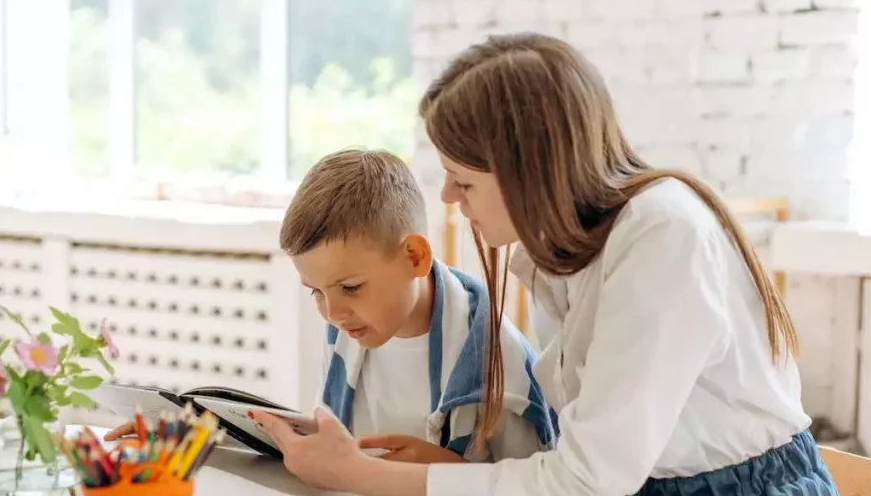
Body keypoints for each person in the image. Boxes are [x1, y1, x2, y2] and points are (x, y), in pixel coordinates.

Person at [252, 33, 855, 496]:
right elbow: (580, 466)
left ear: (529, 169)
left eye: (463, 180)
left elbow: (585, 484)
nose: (448, 199)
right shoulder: (556, 257)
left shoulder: (662, 237)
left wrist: (361, 475)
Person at [107, 148, 558, 466]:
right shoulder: (350, 330)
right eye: (315, 292)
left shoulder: (499, 360)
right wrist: (193, 434)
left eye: (351, 287)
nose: (332, 313)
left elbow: (538, 490)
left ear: (415, 258)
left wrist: (451, 476)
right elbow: (338, 449)